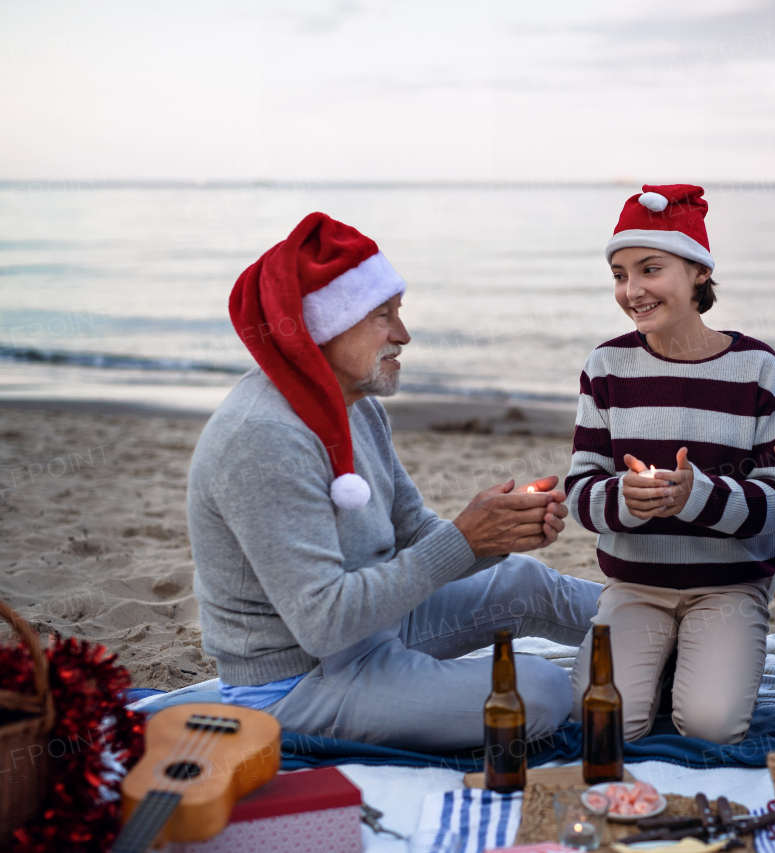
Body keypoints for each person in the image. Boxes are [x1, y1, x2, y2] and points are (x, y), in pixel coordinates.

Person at [188, 212, 601, 752]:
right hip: (298, 682)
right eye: (382, 317)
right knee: (539, 690)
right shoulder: (263, 440)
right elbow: (324, 625)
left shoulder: (356, 406)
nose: (403, 335)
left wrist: (500, 535)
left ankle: (656, 635)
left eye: (398, 313)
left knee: (525, 580)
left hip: (378, 625)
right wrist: (467, 539)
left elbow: (413, 532)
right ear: (323, 326)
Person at [565, 184, 775, 744]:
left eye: (650, 269)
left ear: (697, 272)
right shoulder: (607, 365)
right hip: (635, 584)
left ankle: (692, 657)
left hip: (729, 588)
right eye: (620, 275)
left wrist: (697, 494)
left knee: (711, 726)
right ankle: (663, 657)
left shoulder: (756, 368)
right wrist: (623, 496)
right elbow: (580, 491)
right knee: (605, 725)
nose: (632, 290)